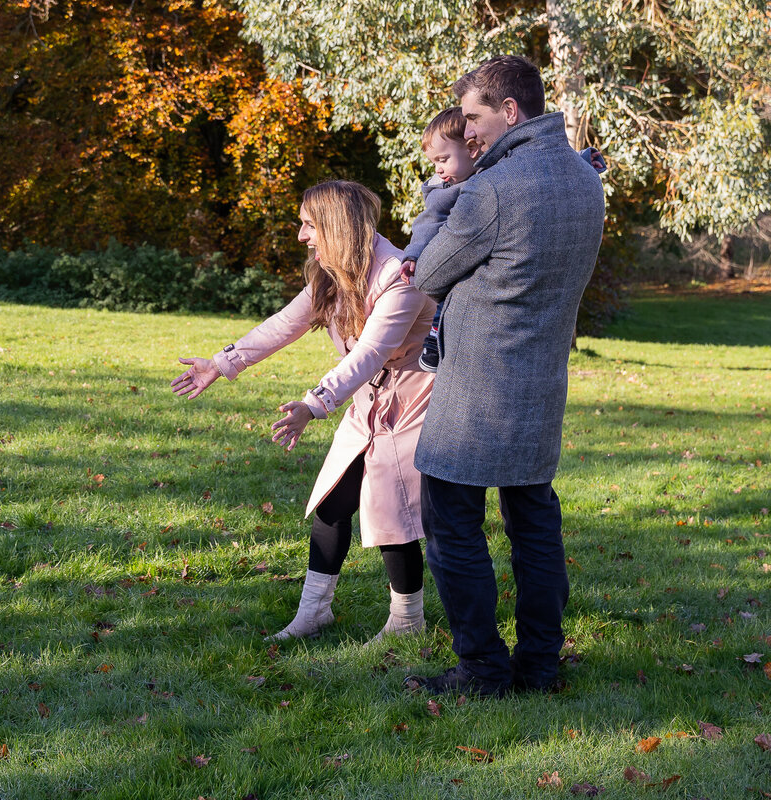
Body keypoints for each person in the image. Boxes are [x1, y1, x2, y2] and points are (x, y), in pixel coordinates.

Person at [406, 55, 606, 697]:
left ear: (510, 111)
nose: (465, 133)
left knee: (452, 524)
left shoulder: (493, 188)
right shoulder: (584, 180)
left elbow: (431, 273)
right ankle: (541, 666)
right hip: (543, 384)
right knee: (535, 527)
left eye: (472, 118)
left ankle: (484, 669)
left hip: (476, 393)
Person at [172, 180, 437, 643]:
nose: (301, 235)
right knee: (332, 503)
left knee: (391, 510)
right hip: (366, 401)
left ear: (336, 227)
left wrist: (314, 405)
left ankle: (408, 622)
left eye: (309, 224)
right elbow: (286, 323)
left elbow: (370, 353)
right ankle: (314, 613)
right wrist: (220, 363)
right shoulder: (332, 273)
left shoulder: (400, 276)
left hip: (412, 401)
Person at [399, 107, 606, 372]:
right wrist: (413, 255)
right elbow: (427, 224)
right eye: (434, 163)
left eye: (443, 159)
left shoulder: (495, 173)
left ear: (471, 149)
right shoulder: (443, 191)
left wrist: (584, 160)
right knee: (447, 296)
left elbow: (539, 169)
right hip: (453, 257)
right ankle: (434, 339)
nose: (438, 169)